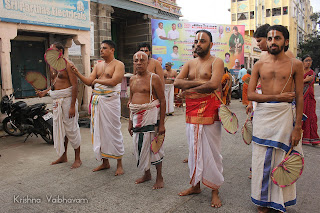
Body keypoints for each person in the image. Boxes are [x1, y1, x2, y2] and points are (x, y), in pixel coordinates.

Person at [247, 25, 304, 213]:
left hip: (285, 116)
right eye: (270, 38)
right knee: (261, 159)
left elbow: (299, 96)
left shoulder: (295, 64)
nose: (272, 42)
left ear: (286, 42)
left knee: (282, 158)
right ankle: (262, 201)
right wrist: (277, 97)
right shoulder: (259, 64)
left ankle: (280, 200)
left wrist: (298, 127)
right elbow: (251, 95)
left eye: (277, 38)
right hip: (264, 115)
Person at [174, 30, 224, 208]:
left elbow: (214, 84)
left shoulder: (217, 62)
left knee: (212, 151)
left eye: (202, 41)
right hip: (192, 110)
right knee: (193, 150)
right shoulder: (190, 63)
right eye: (196, 41)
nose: (198, 44)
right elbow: (177, 83)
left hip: (210, 110)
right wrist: (198, 84)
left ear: (211, 44)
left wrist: (190, 87)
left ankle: (215, 190)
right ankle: (195, 185)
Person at [72, 40, 125, 175]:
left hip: (110, 102)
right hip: (98, 102)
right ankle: (105, 162)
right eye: (101, 48)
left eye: (104, 48)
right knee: (99, 132)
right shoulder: (98, 65)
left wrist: (97, 81)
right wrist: (77, 73)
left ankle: (119, 164)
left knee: (114, 130)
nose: (101, 50)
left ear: (112, 50)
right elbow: (89, 82)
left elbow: (114, 81)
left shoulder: (119, 64)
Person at [37, 42, 81, 169]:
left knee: (71, 129)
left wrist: (72, 106)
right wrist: (44, 93)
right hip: (57, 102)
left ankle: (78, 158)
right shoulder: (53, 66)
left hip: (67, 101)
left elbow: (75, 86)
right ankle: (63, 155)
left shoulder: (68, 65)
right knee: (60, 130)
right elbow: (54, 84)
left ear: (60, 52)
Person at [128, 51, 166, 189]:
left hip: (151, 117)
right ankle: (147, 173)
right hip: (137, 118)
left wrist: (161, 124)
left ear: (147, 62)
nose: (139, 63)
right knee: (139, 147)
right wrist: (130, 122)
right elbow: (131, 101)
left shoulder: (153, 78)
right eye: (136, 60)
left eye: (142, 60)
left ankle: (159, 177)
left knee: (154, 148)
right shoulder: (132, 79)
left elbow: (162, 100)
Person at [301, 55, 320, 145]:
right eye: (306, 60)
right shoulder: (299, 72)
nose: (308, 62)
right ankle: (300, 136)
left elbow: (311, 86)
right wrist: (305, 80)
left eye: (310, 60)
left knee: (311, 117)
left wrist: (313, 97)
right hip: (301, 97)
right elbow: (294, 84)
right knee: (301, 116)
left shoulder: (312, 72)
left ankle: (312, 138)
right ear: (302, 61)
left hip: (309, 97)